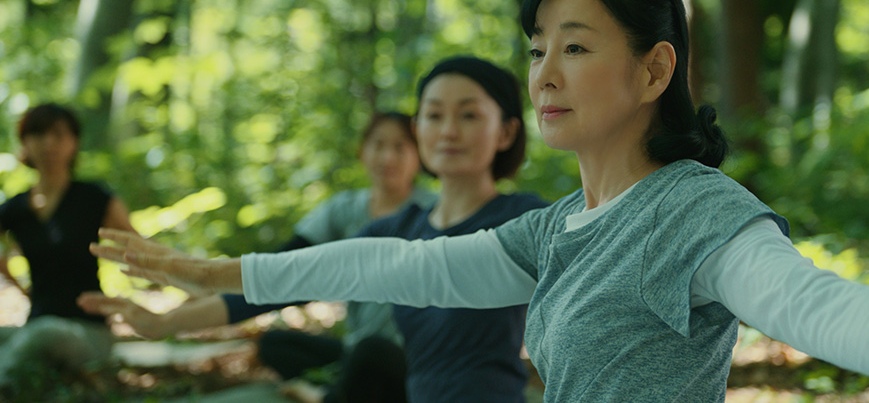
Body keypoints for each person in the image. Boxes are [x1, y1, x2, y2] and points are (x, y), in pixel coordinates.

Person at [92, 0, 869, 402]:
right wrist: (223, 272)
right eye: (538, 50)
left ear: (656, 70)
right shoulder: (557, 227)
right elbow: (399, 265)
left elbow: (815, 305)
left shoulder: (695, 211)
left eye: (575, 47)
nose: (544, 75)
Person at [92, 57, 547, 403]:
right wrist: (165, 323)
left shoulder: (527, 219)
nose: (448, 131)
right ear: (418, 128)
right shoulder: (393, 228)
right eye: (433, 115)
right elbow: (281, 283)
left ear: (506, 132)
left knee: (371, 354)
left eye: (469, 116)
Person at [80, 111, 436, 399]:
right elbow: (275, 277)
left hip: (418, 362)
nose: (388, 157)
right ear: (362, 151)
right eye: (378, 144)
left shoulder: (436, 214)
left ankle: (326, 397)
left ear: (420, 153)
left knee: (373, 355)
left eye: (400, 147)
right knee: (279, 344)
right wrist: (169, 319)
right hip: (355, 351)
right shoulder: (344, 210)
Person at [0, 103, 137, 389]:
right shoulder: (15, 209)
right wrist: (24, 289)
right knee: (34, 334)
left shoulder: (94, 198)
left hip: (88, 333)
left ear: (74, 142)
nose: (48, 143)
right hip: (35, 325)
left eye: (58, 134)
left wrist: (196, 279)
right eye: (38, 134)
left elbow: (139, 248)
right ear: (25, 142)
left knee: (46, 334)